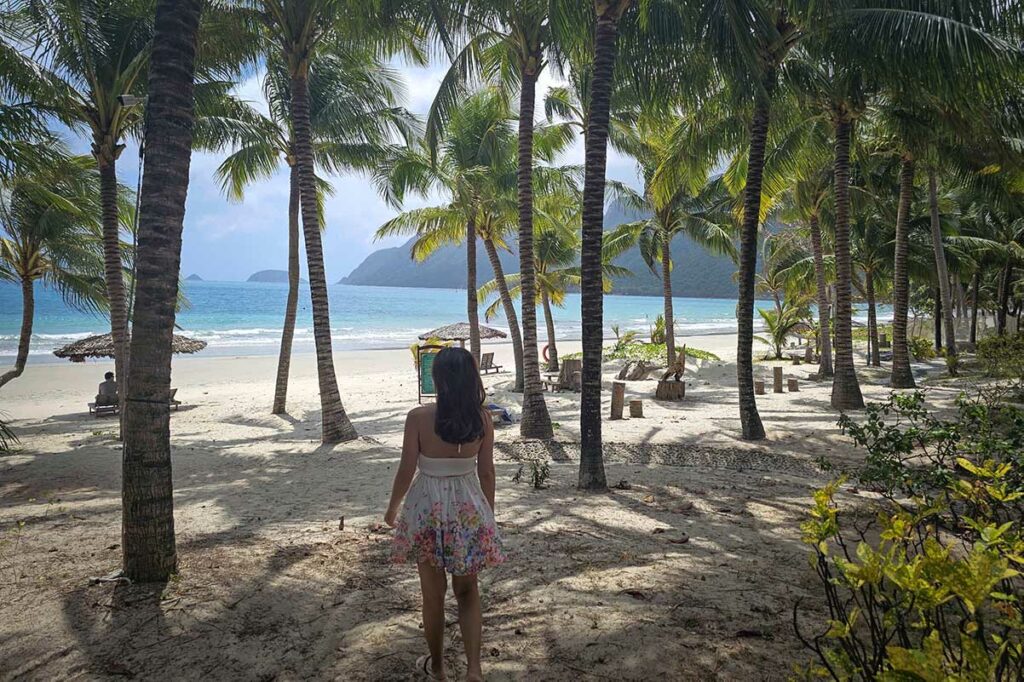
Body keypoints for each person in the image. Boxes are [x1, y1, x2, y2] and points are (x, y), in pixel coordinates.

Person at [385, 347, 505, 681]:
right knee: (468, 592)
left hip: (427, 510)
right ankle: (474, 669)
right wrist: (487, 517)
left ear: (438, 379)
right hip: (468, 509)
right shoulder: (482, 419)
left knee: (432, 596)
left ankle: (437, 668)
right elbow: (487, 473)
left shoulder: (418, 417)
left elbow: (407, 469)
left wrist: (393, 508)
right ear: (472, 379)